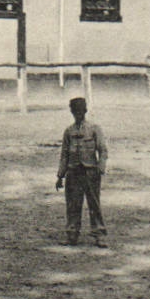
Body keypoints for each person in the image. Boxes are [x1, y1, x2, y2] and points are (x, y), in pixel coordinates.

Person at [57, 97, 108, 246]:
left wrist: (101, 167)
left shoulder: (94, 129)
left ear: (85, 111)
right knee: (73, 204)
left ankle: (99, 234)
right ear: (72, 112)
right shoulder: (69, 131)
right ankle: (72, 234)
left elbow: (103, 150)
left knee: (94, 204)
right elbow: (64, 154)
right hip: (73, 172)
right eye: (75, 112)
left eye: (80, 111)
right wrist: (60, 176)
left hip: (90, 172)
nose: (78, 114)